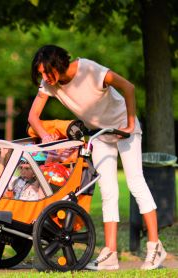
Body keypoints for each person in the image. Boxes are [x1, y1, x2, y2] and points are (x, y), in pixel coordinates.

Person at [28, 45, 166, 270]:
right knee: (108, 191)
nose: (44, 78)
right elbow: (33, 116)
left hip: (123, 128)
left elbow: (128, 87)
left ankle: (155, 246)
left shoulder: (89, 70)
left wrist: (130, 124)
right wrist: (44, 135)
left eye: (47, 72)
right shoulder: (50, 85)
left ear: (59, 65)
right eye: (41, 74)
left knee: (135, 183)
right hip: (100, 134)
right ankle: (110, 253)